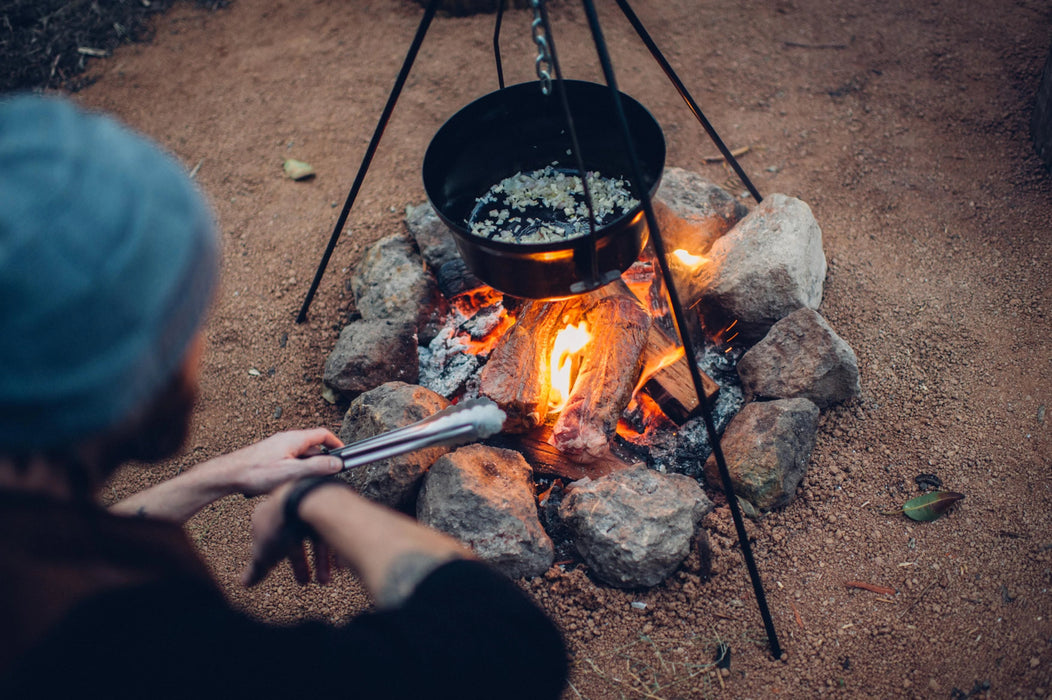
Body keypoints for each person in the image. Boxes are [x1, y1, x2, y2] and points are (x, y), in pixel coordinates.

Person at [0, 94, 567, 699]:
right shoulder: (136, 657)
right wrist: (317, 501)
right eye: (189, 320)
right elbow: (505, 649)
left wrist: (216, 475)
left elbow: (58, 539)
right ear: (124, 371)